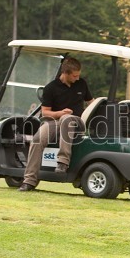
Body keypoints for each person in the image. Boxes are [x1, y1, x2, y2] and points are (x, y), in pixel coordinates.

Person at [19, 57, 94, 191]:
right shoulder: (51, 88)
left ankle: (62, 162)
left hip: (76, 123)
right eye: (74, 76)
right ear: (65, 72)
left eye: (78, 75)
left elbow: (91, 103)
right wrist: (60, 113)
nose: (77, 78)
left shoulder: (82, 84)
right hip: (54, 121)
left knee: (67, 119)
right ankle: (29, 181)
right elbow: (45, 112)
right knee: (37, 140)